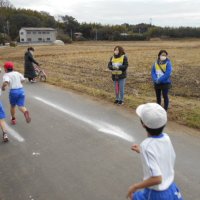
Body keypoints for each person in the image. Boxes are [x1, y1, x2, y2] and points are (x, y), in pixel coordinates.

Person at [127, 103, 183, 200]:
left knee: (133, 197)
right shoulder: (166, 138)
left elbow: (157, 179)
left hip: (156, 195)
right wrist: (142, 151)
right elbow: (160, 154)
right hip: (172, 189)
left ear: (143, 125)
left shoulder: (146, 146)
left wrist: (135, 186)